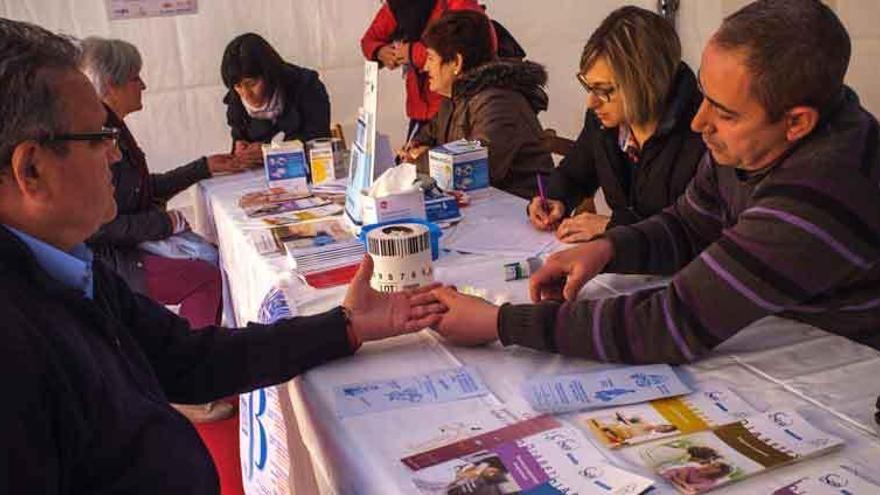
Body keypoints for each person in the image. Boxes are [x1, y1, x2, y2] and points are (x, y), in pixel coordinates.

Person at [0, 18, 443, 493]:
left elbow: (188, 359)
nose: (114, 155)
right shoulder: (15, 346)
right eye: (97, 137)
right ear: (32, 170)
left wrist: (347, 325)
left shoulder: (69, 268)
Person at [430, 0, 880, 364]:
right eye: (705, 97)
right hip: (782, 336)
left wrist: (501, 324)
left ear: (797, 122)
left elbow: (670, 324)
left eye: (724, 112)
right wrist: (609, 248)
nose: (700, 121)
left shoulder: (820, 190)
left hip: (848, 368)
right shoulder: (747, 140)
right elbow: (688, 224)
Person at [79, 36, 249, 423]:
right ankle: (187, 382)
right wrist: (161, 223)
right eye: (136, 78)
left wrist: (204, 166)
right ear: (111, 86)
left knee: (210, 259)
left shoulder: (114, 129)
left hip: (130, 249)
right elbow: (100, 225)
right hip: (117, 260)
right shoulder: (100, 136)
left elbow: (142, 189)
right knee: (204, 278)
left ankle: (192, 366)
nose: (144, 86)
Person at [528, 6, 704, 243]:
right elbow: (575, 173)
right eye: (589, 87)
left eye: (603, 90)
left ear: (646, 83)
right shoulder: (605, 122)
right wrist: (554, 198)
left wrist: (613, 226)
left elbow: (696, 229)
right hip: (626, 267)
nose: (592, 102)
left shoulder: (701, 131)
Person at [399, 10, 554, 199]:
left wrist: (417, 162)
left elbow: (478, 164)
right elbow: (428, 136)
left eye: (431, 58)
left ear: (456, 62)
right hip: (483, 204)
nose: (425, 67)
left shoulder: (498, 101)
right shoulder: (454, 98)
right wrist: (414, 147)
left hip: (523, 209)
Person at [361, 0, 487, 139]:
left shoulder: (458, 4)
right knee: (413, 153)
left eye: (430, 60)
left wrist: (412, 52)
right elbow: (369, 40)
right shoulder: (398, 5)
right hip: (420, 109)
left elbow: (467, 47)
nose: (427, 66)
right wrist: (379, 51)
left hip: (453, 105)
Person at [221, 32, 331, 166]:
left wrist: (271, 152)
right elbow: (239, 141)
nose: (246, 94)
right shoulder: (236, 100)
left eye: (252, 84)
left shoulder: (306, 86)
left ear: (269, 74)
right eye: (238, 86)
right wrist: (240, 152)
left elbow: (319, 142)